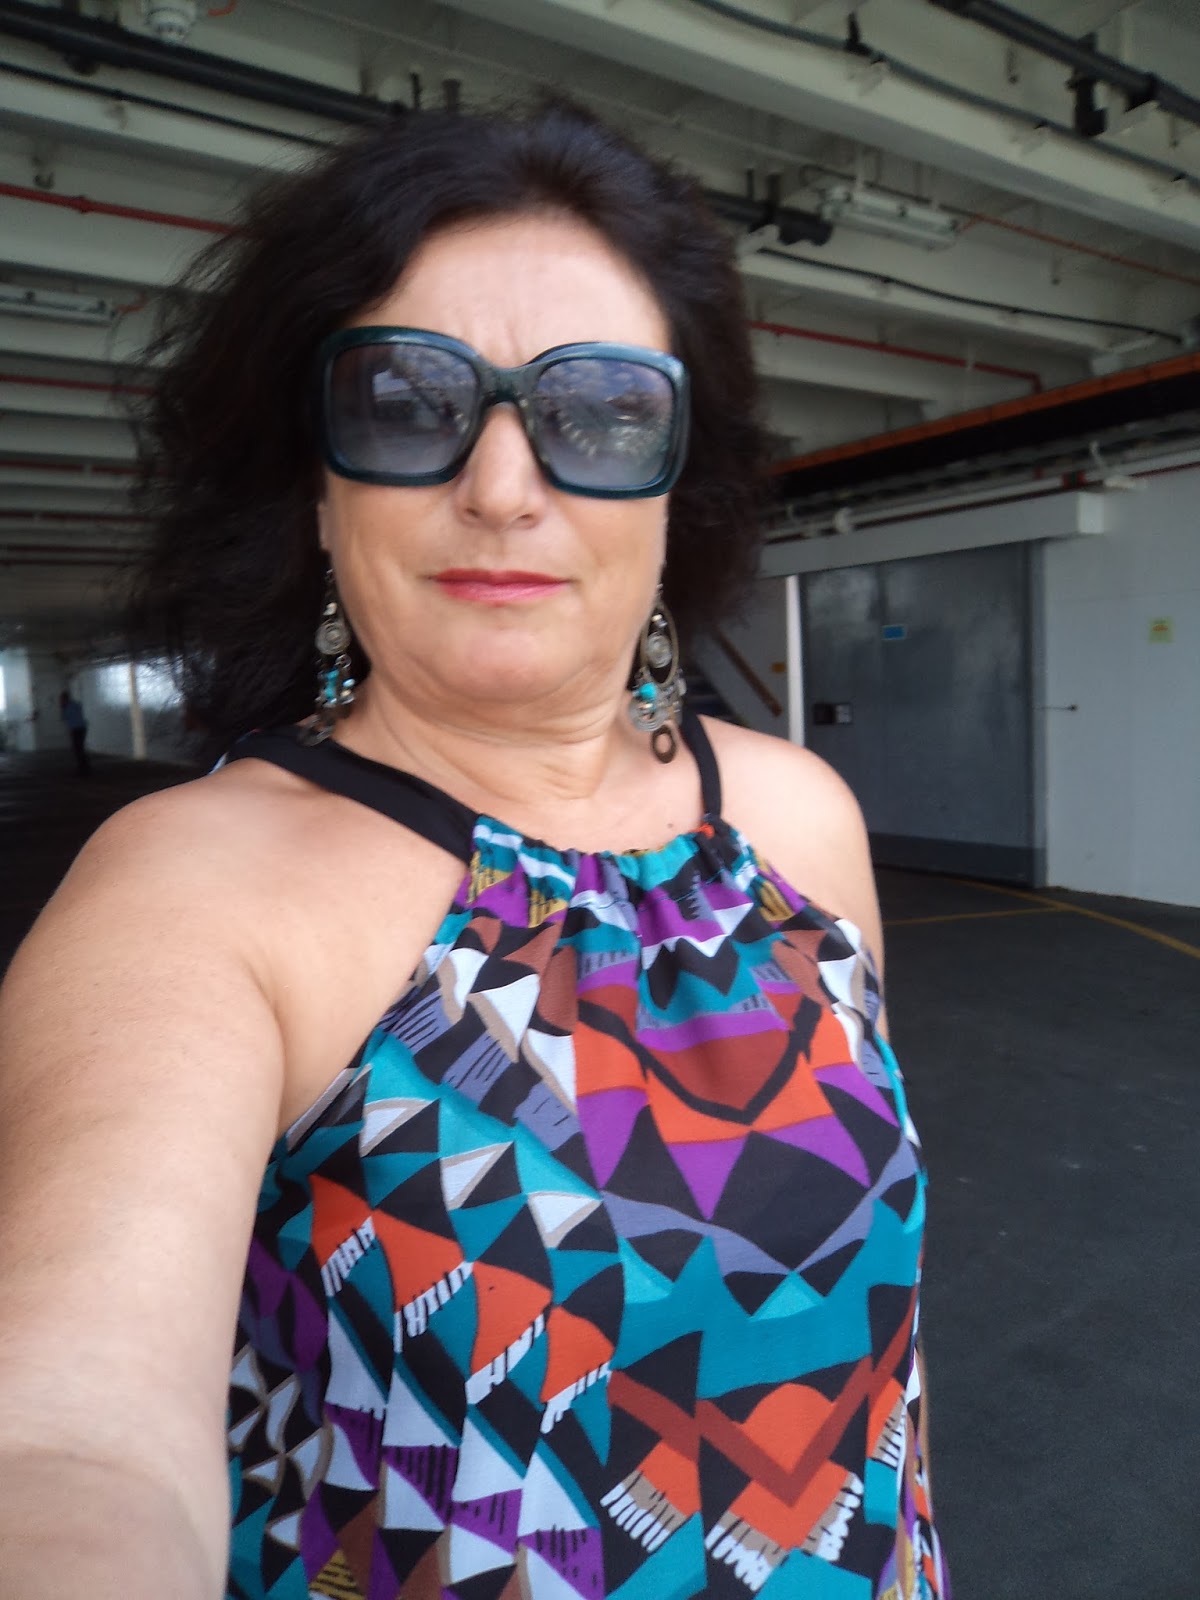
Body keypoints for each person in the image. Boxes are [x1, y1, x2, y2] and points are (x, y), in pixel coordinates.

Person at [0, 102, 948, 1600]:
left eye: (600, 413)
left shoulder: (795, 817)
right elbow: (72, 1436)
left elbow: (879, 1370)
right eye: (405, 402)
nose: (504, 488)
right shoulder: (191, 891)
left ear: (674, 481)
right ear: (316, 488)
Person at [59, 687, 90, 776]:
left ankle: (83, 768)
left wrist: (62, 708)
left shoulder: (66, 707)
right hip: (82, 727)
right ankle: (85, 767)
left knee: (77, 749)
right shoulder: (76, 704)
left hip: (75, 729)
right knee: (80, 748)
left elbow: (64, 718)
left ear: (64, 699)